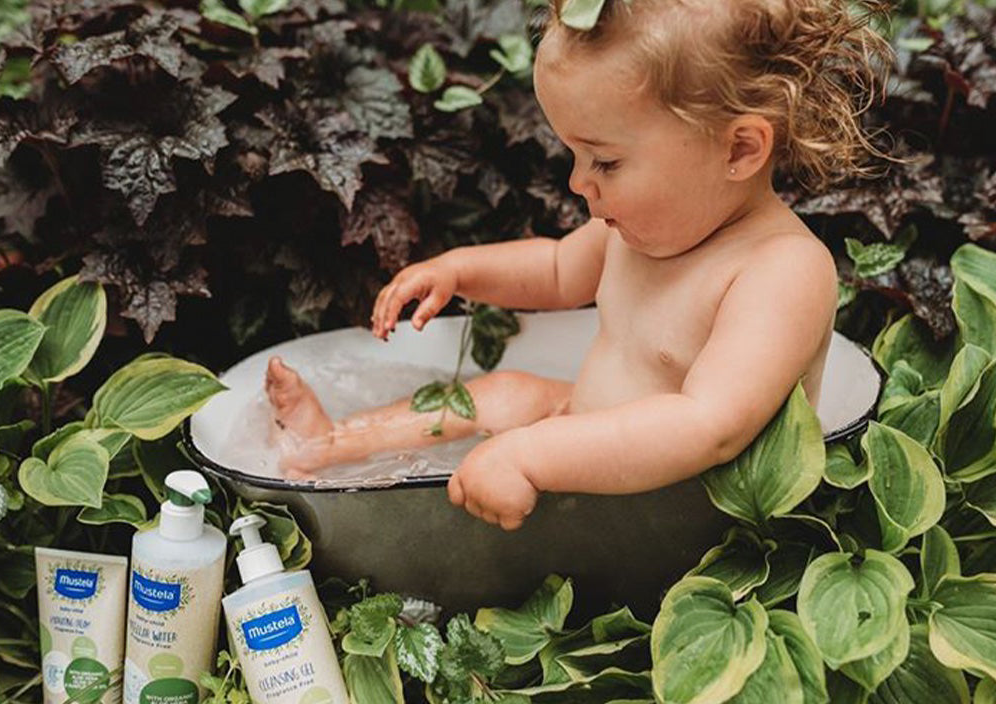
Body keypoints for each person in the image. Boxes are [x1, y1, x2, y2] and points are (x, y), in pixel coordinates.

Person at [266, 0, 892, 530]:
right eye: (574, 154)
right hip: (584, 434)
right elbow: (559, 270)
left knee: (520, 425)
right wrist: (461, 269)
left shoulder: (781, 272)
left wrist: (532, 455)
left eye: (606, 162)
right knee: (505, 394)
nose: (578, 182)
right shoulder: (643, 230)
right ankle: (329, 444)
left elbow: (710, 427)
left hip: (678, 507)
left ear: (740, 148)